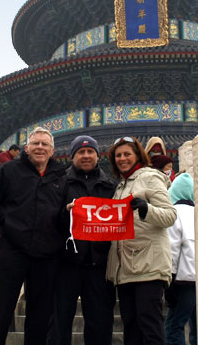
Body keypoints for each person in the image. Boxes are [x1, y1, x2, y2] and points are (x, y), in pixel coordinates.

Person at [0, 127, 68, 345]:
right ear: (26, 148)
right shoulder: (9, 171)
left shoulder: (60, 177)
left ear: (53, 151)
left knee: (40, 317)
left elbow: (63, 215)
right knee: (0, 313)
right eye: (35, 143)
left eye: (45, 144)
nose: (40, 148)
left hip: (45, 256)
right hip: (12, 251)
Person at [106, 137, 177, 345]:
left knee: (150, 326)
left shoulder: (150, 178)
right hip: (125, 268)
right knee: (131, 328)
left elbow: (169, 215)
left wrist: (147, 209)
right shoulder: (120, 187)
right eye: (118, 155)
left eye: (127, 154)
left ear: (138, 155)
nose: (122, 159)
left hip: (149, 266)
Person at [49, 135, 117, 345]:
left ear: (98, 155)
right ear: (72, 156)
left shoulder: (110, 187)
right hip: (66, 266)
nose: (86, 156)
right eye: (81, 152)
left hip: (99, 266)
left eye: (90, 152)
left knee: (100, 325)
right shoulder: (59, 184)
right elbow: (47, 220)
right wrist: (65, 213)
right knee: (58, 325)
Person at [164, 173, 196, 345]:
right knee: (197, 329)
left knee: (173, 328)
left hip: (182, 281)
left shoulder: (174, 214)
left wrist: (169, 283)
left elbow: (172, 250)